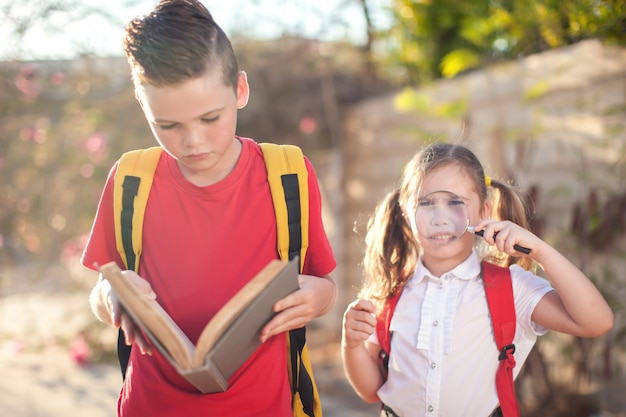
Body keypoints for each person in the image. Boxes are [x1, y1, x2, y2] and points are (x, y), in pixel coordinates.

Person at [81, 1, 337, 416]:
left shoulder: (288, 175)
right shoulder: (131, 180)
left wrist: (319, 299)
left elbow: (322, 284)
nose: (193, 141)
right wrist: (112, 294)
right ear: (143, 106)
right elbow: (100, 294)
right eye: (168, 126)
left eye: (210, 118)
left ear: (240, 89)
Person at [341, 142, 613, 416]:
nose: (440, 218)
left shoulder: (511, 288)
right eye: (426, 204)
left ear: (483, 211)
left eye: (455, 203)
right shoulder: (391, 291)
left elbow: (596, 321)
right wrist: (351, 345)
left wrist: (540, 251)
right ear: (405, 213)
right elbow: (371, 389)